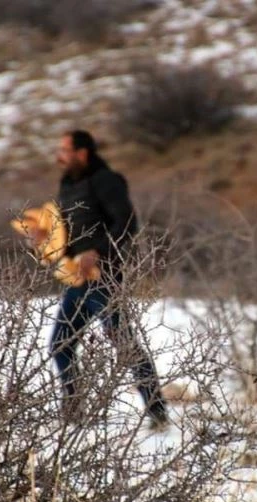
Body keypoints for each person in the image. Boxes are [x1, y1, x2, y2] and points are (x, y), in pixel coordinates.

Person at [49, 130, 168, 428]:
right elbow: (67, 229)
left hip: (105, 278)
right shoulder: (68, 183)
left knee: (124, 344)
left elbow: (127, 222)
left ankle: (158, 413)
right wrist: (44, 238)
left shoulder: (106, 180)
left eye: (64, 150)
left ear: (82, 153)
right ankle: (75, 417)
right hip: (76, 279)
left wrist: (98, 251)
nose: (59, 156)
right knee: (61, 345)